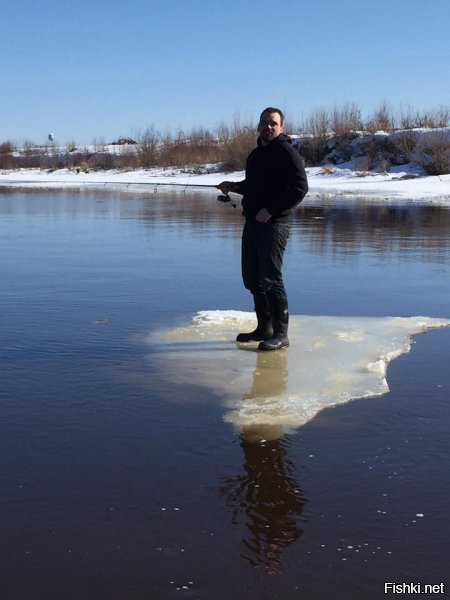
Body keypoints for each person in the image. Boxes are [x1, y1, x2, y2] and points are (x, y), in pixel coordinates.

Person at [218, 107, 308, 351]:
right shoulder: (256, 155)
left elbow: (300, 188)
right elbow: (255, 186)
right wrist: (234, 186)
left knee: (270, 278)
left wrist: (271, 210)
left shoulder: (287, 153)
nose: (268, 127)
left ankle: (281, 334)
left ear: (281, 127)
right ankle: (264, 328)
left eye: (273, 123)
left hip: (275, 224)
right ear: (258, 125)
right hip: (252, 222)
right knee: (253, 278)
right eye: (265, 122)